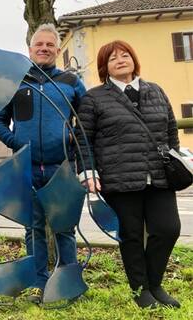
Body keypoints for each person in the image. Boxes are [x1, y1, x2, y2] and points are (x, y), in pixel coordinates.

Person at [76, 40, 181, 309]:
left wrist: (176, 162)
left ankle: (155, 284)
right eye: (113, 59)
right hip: (119, 179)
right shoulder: (94, 98)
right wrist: (88, 172)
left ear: (134, 59)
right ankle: (140, 289)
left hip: (158, 176)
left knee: (168, 229)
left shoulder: (155, 91)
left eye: (125, 55)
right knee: (131, 235)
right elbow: (83, 139)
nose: (121, 60)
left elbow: (170, 131)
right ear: (105, 68)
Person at [0, 23, 86, 303]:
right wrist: (16, 143)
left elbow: (86, 121)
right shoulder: (16, 81)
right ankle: (41, 285)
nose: (44, 49)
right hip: (27, 168)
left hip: (62, 167)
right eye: (38, 45)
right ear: (30, 49)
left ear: (58, 50)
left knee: (64, 228)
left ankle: (68, 285)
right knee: (33, 228)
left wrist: (71, 139)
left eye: (49, 45)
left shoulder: (71, 82)